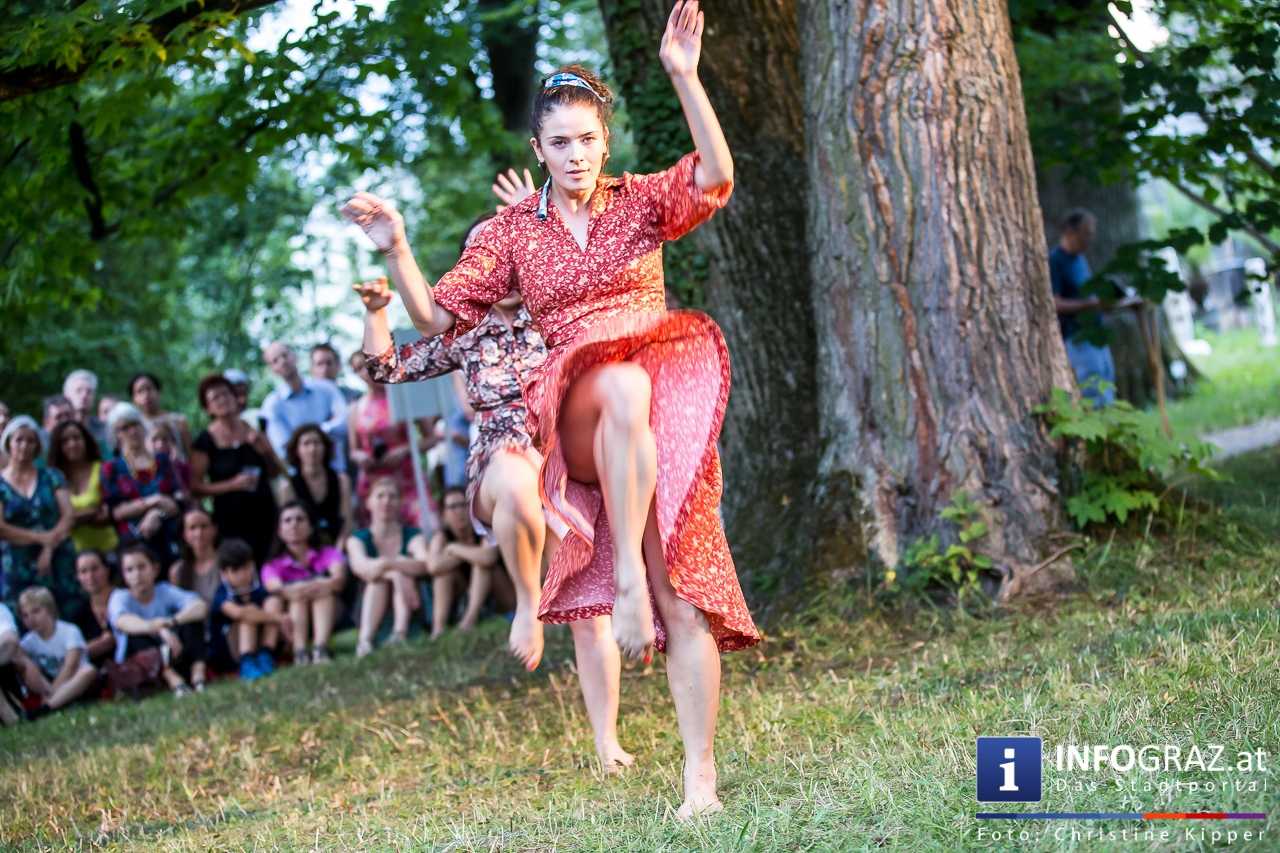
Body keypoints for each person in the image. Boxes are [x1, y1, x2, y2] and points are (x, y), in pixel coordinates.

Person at [342, 4, 760, 815]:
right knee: (620, 384)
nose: (576, 155)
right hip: (573, 411)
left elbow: (715, 176)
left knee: (685, 597)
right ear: (538, 149)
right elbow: (437, 316)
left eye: (588, 140)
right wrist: (397, 248)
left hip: (653, 426)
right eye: (560, 142)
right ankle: (627, 581)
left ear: (605, 141)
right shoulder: (511, 234)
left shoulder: (639, 201)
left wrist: (683, 74)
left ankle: (700, 784)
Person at [357, 207, 549, 670]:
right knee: (515, 482)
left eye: (506, 250)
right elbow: (387, 366)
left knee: (590, 607)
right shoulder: (465, 330)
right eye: (484, 255)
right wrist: (376, 314)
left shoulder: (553, 311)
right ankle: (529, 604)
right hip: (501, 448)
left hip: (563, 447)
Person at [1049, 208, 1141, 407]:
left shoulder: (1080, 260)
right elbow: (1054, 303)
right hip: (1077, 337)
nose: (1090, 239)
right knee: (1093, 390)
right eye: (1086, 233)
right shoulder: (1055, 261)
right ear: (1070, 231)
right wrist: (1090, 304)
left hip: (1096, 333)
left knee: (1107, 383)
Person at [190, 374, 282, 563]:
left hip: (264, 513)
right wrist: (232, 484)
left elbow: (275, 471)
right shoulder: (204, 441)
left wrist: (264, 452)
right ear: (208, 408)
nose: (222, 400)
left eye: (226, 394)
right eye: (215, 398)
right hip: (229, 519)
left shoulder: (254, 428)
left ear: (235, 397)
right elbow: (195, 487)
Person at [0, 416, 81, 623]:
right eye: (19, 440)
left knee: (66, 613)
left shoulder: (52, 476)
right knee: (21, 616)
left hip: (57, 557)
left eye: (30, 441)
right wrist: (40, 538)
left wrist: (49, 546)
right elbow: (1, 528)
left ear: (37, 446)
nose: (24, 446)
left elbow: (68, 515)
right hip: (16, 561)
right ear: (8, 442)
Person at [108, 543, 209, 696]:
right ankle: (173, 680)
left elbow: (200, 606)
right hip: (141, 665)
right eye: (129, 570)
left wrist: (172, 621)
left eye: (142, 567)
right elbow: (122, 622)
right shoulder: (120, 597)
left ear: (155, 569)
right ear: (123, 575)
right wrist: (159, 628)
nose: (137, 574)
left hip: (173, 652)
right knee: (135, 635)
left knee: (192, 622)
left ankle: (198, 676)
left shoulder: (164, 590)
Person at [345, 477, 430, 656]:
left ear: (400, 503)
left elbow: (424, 564)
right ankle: (365, 642)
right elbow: (364, 570)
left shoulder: (413, 534)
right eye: (380, 496)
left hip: (412, 603)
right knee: (379, 580)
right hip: (369, 603)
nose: (386, 501)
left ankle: (399, 633)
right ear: (368, 503)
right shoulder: (356, 539)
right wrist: (395, 574)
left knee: (400, 574)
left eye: (392, 496)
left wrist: (388, 564)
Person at [348, 352, 431, 528]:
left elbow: (431, 438)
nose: (365, 372)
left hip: (406, 477)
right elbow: (353, 450)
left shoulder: (404, 398)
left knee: (425, 525)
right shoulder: (356, 408)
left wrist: (405, 449)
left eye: (366, 364)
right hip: (373, 482)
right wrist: (361, 457)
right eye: (358, 369)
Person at [260, 503, 346, 664]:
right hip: (292, 622)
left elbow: (339, 581)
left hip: (330, 613)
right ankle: (300, 653)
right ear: (279, 531)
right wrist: (315, 584)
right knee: (298, 599)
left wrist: (307, 587)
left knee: (323, 593)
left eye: (300, 519)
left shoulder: (329, 553)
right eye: (287, 520)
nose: (294, 524)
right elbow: (277, 589)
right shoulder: (271, 565)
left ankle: (321, 649)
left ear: (311, 527)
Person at [101, 403, 185, 566]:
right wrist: (153, 501)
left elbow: (178, 501)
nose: (132, 431)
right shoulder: (111, 468)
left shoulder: (162, 460)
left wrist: (156, 513)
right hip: (132, 547)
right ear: (116, 434)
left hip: (168, 540)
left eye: (135, 424)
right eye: (125, 428)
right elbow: (115, 512)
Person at [424, 486, 511, 639]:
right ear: (444, 515)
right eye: (453, 507)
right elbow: (433, 566)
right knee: (442, 574)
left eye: (463, 505)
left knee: (482, 565)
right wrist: (470, 554)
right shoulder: (441, 537)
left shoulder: (484, 529)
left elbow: (488, 557)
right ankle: (438, 629)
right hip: (464, 594)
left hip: (501, 596)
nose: (459, 511)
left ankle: (468, 621)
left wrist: (454, 549)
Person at [209, 538, 289, 680]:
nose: (242, 574)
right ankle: (247, 662)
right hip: (231, 649)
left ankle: (266, 654)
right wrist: (279, 618)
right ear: (224, 573)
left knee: (273, 602)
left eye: (245, 567)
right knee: (248, 612)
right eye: (235, 570)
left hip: (259, 640)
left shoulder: (258, 588)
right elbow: (238, 613)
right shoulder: (222, 594)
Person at [261, 342, 349, 472]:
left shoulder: (326, 388)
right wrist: (327, 429)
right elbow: (283, 447)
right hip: (302, 477)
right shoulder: (272, 404)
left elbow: (344, 424)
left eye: (285, 355)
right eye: (275, 361)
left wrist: (315, 432)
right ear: (272, 369)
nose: (283, 361)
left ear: (294, 356)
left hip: (336, 470)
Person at [17, 586, 98, 716]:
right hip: (49, 685)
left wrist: (53, 692)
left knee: (88, 671)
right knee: (21, 660)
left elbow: (71, 666)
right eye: (25, 615)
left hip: (75, 681)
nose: (31, 619)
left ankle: (48, 707)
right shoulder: (28, 641)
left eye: (36, 611)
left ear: (50, 609)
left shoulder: (70, 631)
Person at [48, 420, 118, 554]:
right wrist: (92, 512)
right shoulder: (53, 479)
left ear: (86, 440)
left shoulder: (103, 470)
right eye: (65, 441)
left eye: (77, 438)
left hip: (108, 550)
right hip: (69, 554)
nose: (72, 444)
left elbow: (109, 512)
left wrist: (70, 518)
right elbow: (54, 519)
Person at [278, 424, 353, 547]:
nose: (312, 449)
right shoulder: (288, 486)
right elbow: (288, 527)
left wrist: (337, 550)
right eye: (306, 444)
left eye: (317, 443)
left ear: (325, 448)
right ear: (297, 450)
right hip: (304, 548)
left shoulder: (341, 480)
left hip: (338, 545)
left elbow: (347, 521)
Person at [130, 373, 194, 461]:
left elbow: (191, 456)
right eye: (140, 391)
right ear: (134, 399)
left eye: (149, 388)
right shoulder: (133, 428)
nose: (146, 395)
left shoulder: (178, 421)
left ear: (158, 392)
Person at [72, 550, 119, 668]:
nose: (90, 576)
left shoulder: (125, 598)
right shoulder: (79, 614)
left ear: (107, 569)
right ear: (78, 577)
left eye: (95, 569)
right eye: (83, 571)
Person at [169, 507, 221, 606]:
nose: (199, 533)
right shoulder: (177, 571)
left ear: (214, 530)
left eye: (204, 526)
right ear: (184, 534)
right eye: (192, 528)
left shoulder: (227, 562)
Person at [63, 369, 109, 453]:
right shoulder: (58, 428)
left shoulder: (104, 430)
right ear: (66, 395)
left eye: (89, 392)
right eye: (79, 391)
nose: (84, 395)